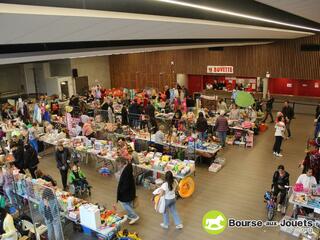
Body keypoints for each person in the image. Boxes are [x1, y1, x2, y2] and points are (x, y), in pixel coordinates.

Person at [116, 157, 139, 225]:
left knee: (124, 203)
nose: (118, 166)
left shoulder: (126, 171)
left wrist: (121, 190)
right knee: (128, 202)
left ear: (121, 163)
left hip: (126, 190)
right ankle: (130, 215)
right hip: (130, 189)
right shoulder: (129, 167)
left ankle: (135, 216)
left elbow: (126, 182)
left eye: (118, 164)